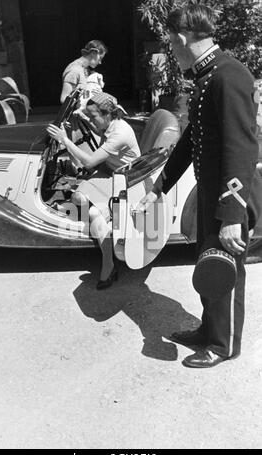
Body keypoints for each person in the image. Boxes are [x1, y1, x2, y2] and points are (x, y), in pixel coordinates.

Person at [137, 4, 259, 368]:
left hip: (230, 197)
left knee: (226, 269)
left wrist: (233, 215)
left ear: (181, 38)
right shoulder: (209, 76)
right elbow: (193, 137)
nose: (171, 52)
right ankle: (208, 330)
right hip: (211, 193)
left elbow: (241, 146)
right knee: (209, 265)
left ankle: (224, 345)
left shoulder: (229, 75)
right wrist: (161, 185)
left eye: (171, 45)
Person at [47, 92, 141, 289]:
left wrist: (65, 140)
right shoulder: (110, 124)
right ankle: (102, 223)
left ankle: (109, 264)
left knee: (90, 210)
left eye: (93, 116)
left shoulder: (119, 133)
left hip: (126, 182)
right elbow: (95, 134)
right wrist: (76, 126)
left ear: (107, 114)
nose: (90, 120)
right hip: (110, 173)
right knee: (77, 197)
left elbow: (89, 161)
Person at [60, 40, 107, 104]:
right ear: (93, 53)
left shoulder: (85, 68)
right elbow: (64, 99)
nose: (100, 62)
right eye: (100, 58)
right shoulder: (74, 70)